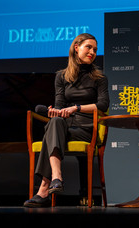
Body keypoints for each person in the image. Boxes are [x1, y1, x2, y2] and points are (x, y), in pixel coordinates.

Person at [23, 33, 110, 207]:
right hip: (64, 127)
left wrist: (76, 108)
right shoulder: (61, 76)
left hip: (86, 128)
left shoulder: (99, 78)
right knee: (54, 123)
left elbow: (102, 104)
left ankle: (44, 189)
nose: (92, 52)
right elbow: (60, 104)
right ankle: (56, 177)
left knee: (51, 132)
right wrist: (55, 111)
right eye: (88, 47)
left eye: (95, 49)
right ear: (76, 48)